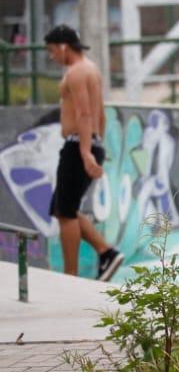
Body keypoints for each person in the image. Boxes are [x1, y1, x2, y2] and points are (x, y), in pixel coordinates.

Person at [44, 25, 121, 280]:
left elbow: (85, 113)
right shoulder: (92, 70)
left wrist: (86, 151)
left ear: (64, 46)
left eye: (53, 51)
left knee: (65, 212)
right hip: (88, 143)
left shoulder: (77, 73)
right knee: (63, 207)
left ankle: (70, 275)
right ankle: (106, 252)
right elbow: (101, 114)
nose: (52, 57)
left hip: (78, 145)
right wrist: (98, 145)